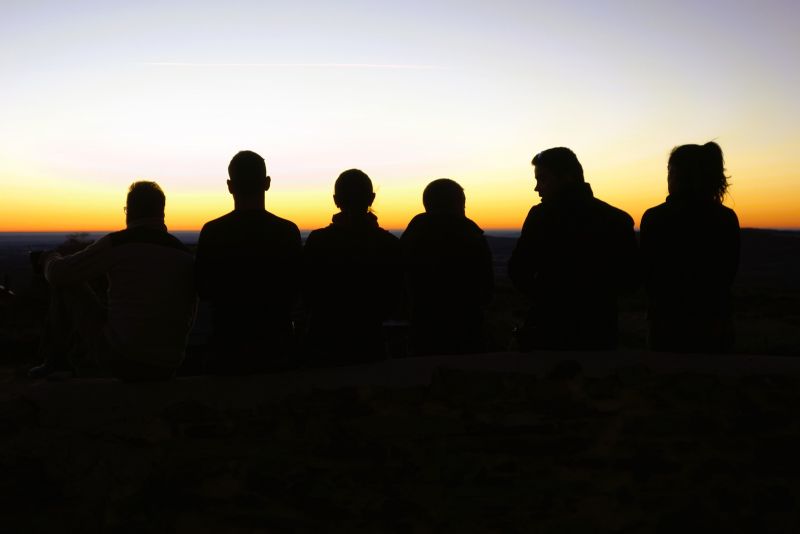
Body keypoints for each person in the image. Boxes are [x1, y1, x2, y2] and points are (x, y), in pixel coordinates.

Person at [29, 181, 196, 381]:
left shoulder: (119, 243)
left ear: (129, 212)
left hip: (124, 360)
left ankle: (54, 362)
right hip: (168, 366)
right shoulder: (184, 255)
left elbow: (59, 273)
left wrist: (48, 257)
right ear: (161, 213)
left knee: (68, 283)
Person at [509, 147, 639, 350]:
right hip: (600, 330)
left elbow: (518, 271)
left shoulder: (541, 217)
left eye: (542, 179)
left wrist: (548, 298)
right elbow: (630, 280)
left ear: (567, 177)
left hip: (548, 328)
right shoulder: (617, 219)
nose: (537, 188)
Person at [195, 150, 302, 373]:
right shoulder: (288, 232)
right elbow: (297, 288)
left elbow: (202, 289)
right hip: (277, 348)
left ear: (230, 186)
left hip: (226, 348)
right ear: (267, 183)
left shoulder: (213, 232)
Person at [640, 142, 740, 353]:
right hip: (715, 320)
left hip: (666, 322)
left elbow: (648, 273)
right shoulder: (725, 218)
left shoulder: (655, 217)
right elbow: (729, 271)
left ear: (676, 174)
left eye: (669, 171)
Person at [302, 169, 402, 364]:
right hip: (370, 344)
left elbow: (308, 295)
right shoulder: (389, 244)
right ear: (371, 198)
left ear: (335, 200)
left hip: (322, 345)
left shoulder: (318, 242)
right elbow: (392, 301)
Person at [401, 178, 493, 355]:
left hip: (423, 332)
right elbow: (486, 291)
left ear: (427, 205)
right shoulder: (472, 237)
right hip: (468, 333)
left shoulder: (411, 239)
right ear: (459, 205)